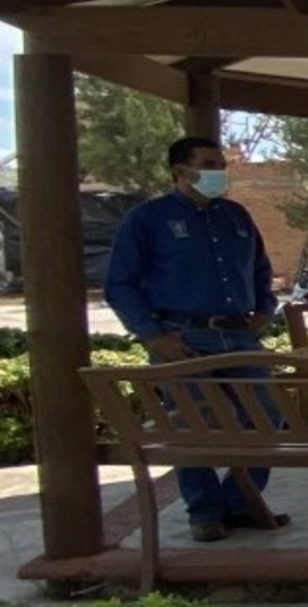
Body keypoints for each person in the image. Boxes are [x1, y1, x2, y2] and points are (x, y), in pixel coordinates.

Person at [103, 136, 284, 543]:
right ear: (180, 172)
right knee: (192, 425)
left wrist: (265, 308)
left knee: (266, 416)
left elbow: (261, 270)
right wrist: (152, 335)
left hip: (239, 335)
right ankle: (205, 512)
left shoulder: (236, 216)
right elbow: (120, 284)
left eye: (221, 165)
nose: (220, 172)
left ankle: (241, 502)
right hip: (183, 336)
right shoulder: (147, 219)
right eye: (209, 164)